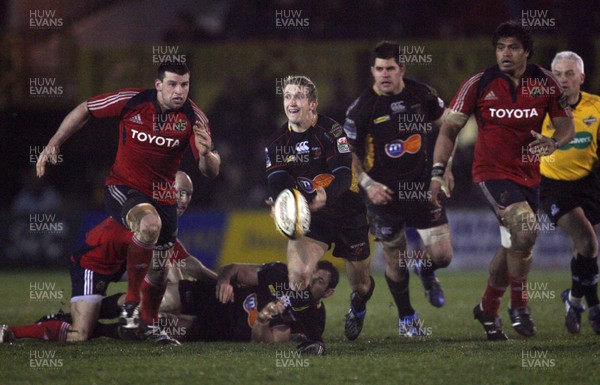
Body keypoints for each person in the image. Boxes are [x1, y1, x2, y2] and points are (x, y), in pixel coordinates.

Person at [35, 62, 221, 338]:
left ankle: (149, 325)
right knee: (148, 224)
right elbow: (85, 108)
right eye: (172, 84)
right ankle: (131, 302)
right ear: (158, 85)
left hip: (163, 196)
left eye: (184, 85)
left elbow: (211, 172)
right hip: (123, 187)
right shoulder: (131, 101)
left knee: (160, 269)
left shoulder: (194, 117)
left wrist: (207, 156)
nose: (179, 91)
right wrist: (54, 143)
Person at [429, 21, 575, 340]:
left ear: (526, 52)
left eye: (512, 48)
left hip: (529, 176)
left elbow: (567, 125)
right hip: (491, 172)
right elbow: (450, 128)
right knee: (525, 230)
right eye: (500, 48)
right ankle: (519, 307)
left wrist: (554, 142)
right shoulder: (479, 83)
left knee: (514, 243)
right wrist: (440, 171)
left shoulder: (546, 83)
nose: (505, 53)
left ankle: (487, 309)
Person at [0, 172, 215, 344]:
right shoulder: (149, 214)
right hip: (93, 264)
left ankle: (133, 318)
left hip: (122, 263)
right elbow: (188, 265)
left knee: (166, 281)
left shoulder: (162, 218)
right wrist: (219, 282)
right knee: (79, 335)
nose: (185, 200)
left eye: (189, 194)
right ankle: (13, 331)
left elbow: (184, 262)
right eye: (180, 192)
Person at [344, 41, 454, 337]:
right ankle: (407, 317)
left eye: (390, 68)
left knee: (443, 256)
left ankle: (428, 270)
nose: (384, 74)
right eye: (379, 69)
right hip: (384, 195)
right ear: (372, 70)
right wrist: (368, 185)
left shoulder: (422, 95)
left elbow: (449, 127)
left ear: (401, 68)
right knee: (396, 258)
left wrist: (445, 168)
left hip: (422, 188)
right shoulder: (362, 109)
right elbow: (349, 154)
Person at [264, 76, 375, 341]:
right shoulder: (278, 142)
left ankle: (358, 306)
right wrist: (281, 204)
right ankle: (313, 340)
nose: (292, 102)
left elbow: (343, 174)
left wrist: (327, 194)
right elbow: (277, 181)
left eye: (299, 96)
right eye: (288, 96)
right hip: (313, 217)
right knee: (299, 276)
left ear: (312, 104)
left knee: (361, 284)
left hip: (349, 214)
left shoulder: (332, 131)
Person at [538, 51, 600, 334]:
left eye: (569, 74)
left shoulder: (596, 107)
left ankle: (574, 299)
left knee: (584, 251)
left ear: (581, 78)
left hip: (589, 183)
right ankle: (594, 306)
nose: (563, 80)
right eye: (558, 74)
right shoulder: (540, 108)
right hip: (554, 187)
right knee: (588, 242)